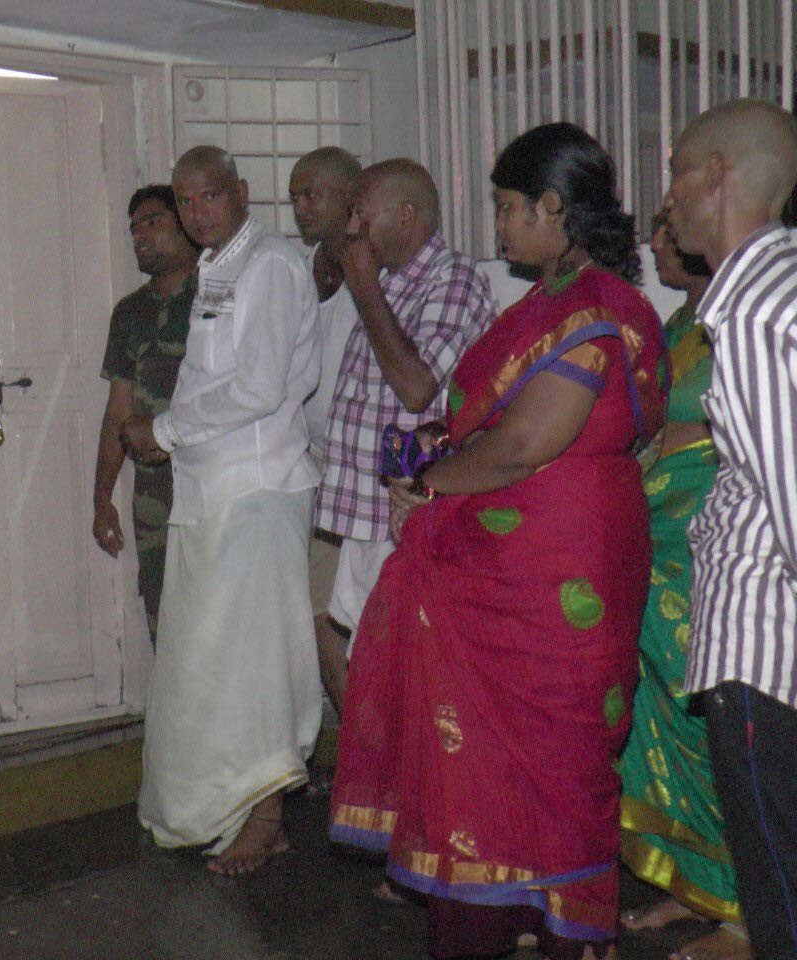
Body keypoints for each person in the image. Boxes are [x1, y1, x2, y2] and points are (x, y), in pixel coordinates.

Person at [330, 123, 667, 960]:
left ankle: (566, 924)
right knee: (485, 748)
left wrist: (434, 487)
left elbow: (525, 443)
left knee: (557, 745)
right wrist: (433, 467)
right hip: (507, 557)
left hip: (558, 564)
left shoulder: (595, 311)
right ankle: (507, 908)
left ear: (554, 207)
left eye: (510, 207)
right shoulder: (543, 306)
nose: (501, 225)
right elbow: (485, 428)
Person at [121, 145, 323, 875]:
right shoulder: (219, 266)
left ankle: (265, 818)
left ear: (240, 193)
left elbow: (261, 389)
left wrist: (166, 431)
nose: (197, 212)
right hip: (212, 489)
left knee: (258, 660)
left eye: (210, 196)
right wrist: (173, 437)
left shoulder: (269, 264)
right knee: (207, 662)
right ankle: (229, 808)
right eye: (185, 201)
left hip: (257, 487)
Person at [662, 97, 797, 959]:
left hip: (765, 651)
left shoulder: (752, 311)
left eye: (677, 171)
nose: (667, 197)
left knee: (779, 888)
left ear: (717, 175)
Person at [311, 159, 495, 712]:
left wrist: (364, 286)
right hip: (368, 514)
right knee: (364, 660)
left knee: (411, 674)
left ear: (407, 216)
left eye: (361, 216)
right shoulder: (388, 282)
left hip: (412, 515)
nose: (351, 231)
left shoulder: (454, 280)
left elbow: (416, 389)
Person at [617, 216, 748, 960]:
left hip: (704, 543)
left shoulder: (743, 322)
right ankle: (698, 883)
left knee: (711, 717)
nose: (659, 243)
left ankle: (748, 913)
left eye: (670, 229)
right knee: (660, 707)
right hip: (654, 537)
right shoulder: (680, 321)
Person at [92, 185, 198, 644]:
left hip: (213, 487)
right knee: (165, 617)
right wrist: (102, 499)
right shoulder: (130, 314)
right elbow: (118, 410)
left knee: (219, 620)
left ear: (185, 224)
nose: (140, 236)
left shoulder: (217, 296)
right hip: (155, 495)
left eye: (152, 222)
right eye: (134, 228)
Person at [287, 147, 362, 679]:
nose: (300, 208)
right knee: (318, 617)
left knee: (348, 621)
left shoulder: (376, 269)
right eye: (295, 198)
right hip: (313, 465)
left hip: (368, 472)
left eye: (312, 195)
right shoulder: (298, 270)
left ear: (351, 196)